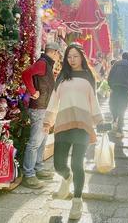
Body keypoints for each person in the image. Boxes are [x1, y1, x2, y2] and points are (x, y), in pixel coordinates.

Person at [43, 44, 103, 220]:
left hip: (83, 126)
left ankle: (77, 201)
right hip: (63, 124)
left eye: (75, 56)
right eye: (69, 56)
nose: (72, 60)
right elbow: (54, 100)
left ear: (81, 57)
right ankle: (66, 178)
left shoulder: (88, 76)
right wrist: (48, 121)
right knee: (59, 164)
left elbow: (94, 100)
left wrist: (99, 121)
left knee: (78, 164)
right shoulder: (62, 76)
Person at [20, 42, 62, 189]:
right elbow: (26, 74)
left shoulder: (47, 65)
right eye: (59, 54)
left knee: (42, 140)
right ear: (55, 52)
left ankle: (38, 168)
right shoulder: (43, 63)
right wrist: (33, 91)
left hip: (44, 108)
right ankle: (29, 174)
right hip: (39, 108)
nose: (59, 57)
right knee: (34, 142)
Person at [107, 52, 128, 137]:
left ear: (122, 57)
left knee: (113, 104)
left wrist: (111, 85)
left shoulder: (116, 63)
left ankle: (115, 119)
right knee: (122, 107)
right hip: (126, 89)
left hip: (115, 87)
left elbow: (110, 75)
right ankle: (119, 129)